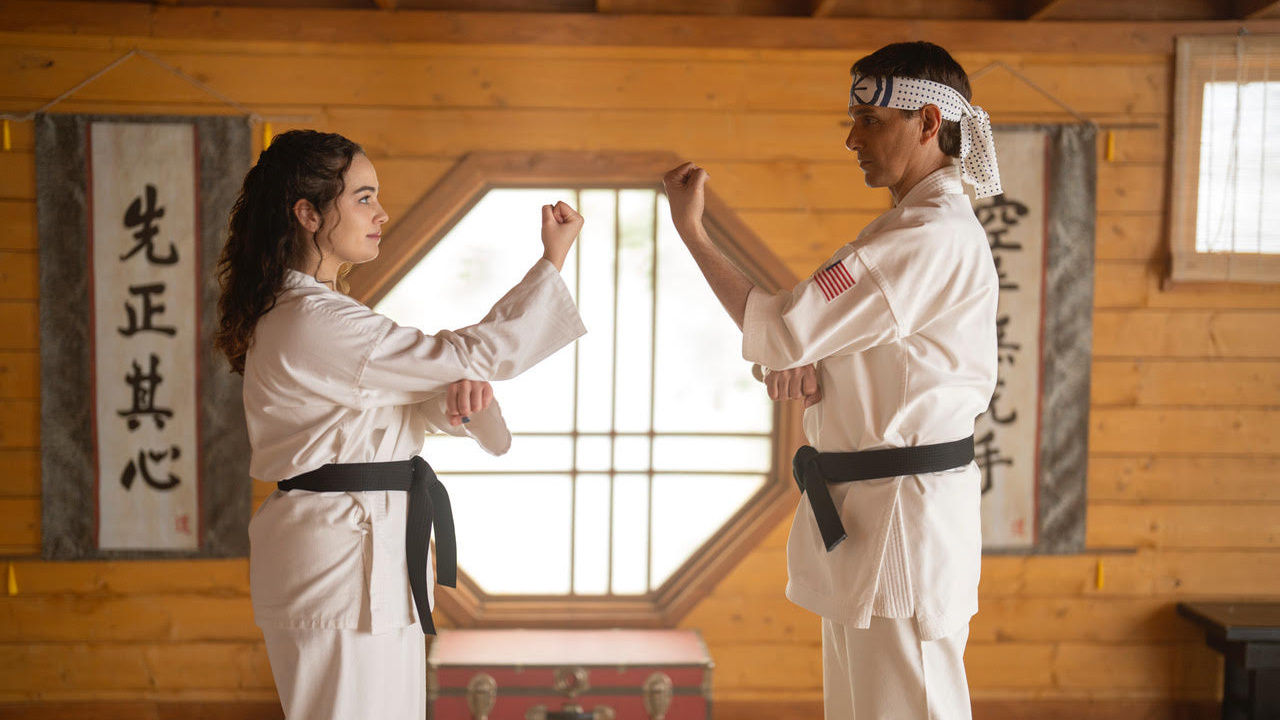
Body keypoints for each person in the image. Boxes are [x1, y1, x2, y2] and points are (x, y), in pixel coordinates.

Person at [663, 41, 1001, 719]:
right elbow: (827, 343)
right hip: (875, 512)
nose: (853, 138)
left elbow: (786, 326)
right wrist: (818, 364)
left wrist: (693, 233)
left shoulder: (926, 236)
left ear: (929, 123)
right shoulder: (911, 229)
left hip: (903, 523)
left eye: (870, 122)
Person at [214, 129, 587, 720]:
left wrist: (451, 399)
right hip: (342, 552)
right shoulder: (312, 321)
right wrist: (553, 261)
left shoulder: (321, 315)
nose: (381, 213)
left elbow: (404, 403)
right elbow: (464, 355)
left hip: (367, 544)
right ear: (308, 213)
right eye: (363, 198)